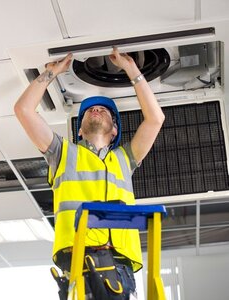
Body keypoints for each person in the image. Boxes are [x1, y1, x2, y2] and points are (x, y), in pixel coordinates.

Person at [14, 47, 165, 299]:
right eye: (88, 111)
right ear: (80, 131)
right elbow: (24, 110)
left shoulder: (125, 158)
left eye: (104, 110)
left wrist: (132, 69)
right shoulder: (62, 153)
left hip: (120, 264)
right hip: (78, 259)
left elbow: (155, 119)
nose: (96, 110)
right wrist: (49, 73)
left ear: (114, 131)